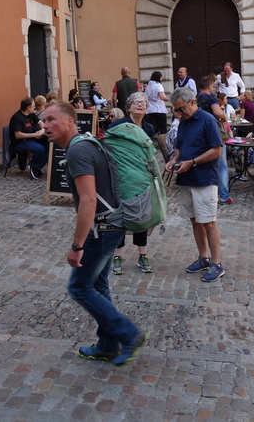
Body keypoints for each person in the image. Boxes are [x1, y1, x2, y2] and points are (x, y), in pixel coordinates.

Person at [41, 101, 148, 365]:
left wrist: (77, 246)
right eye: (44, 121)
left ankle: (129, 334)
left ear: (69, 121)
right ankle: (108, 345)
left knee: (78, 287)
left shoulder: (78, 152)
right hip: (113, 224)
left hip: (102, 228)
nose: (45, 126)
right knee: (98, 285)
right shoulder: (89, 143)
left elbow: (88, 201)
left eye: (51, 119)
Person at [166, 88, 226, 283]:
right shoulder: (184, 122)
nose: (179, 114)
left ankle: (216, 264)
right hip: (186, 178)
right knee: (195, 220)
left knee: (208, 221)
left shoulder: (208, 120)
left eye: (181, 109)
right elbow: (179, 147)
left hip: (204, 179)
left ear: (193, 102)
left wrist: (192, 162)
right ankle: (203, 257)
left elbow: (216, 150)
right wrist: (173, 159)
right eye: (176, 111)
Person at [109, 93, 155, 275]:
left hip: (142, 177)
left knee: (141, 217)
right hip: (121, 177)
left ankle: (142, 256)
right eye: (137, 102)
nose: (141, 105)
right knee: (120, 217)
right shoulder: (117, 126)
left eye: (144, 103)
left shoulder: (149, 128)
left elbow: (150, 153)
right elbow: (109, 148)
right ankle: (117, 257)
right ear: (128, 107)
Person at [197, 76, 231, 204]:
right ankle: (224, 195)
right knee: (222, 165)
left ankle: (207, 193)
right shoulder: (211, 98)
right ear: (210, 85)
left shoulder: (196, 99)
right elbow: (217, 113)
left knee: (206, 163)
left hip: (201, 134)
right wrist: (224, 116)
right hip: (214, 133)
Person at [9, 97, 48, 179]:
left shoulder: (31, 114)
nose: (35, 107)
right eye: (33, 106)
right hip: (20, 142)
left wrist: (42, 130)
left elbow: (41, 123)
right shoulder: (17, 118)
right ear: (28, 107)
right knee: (40, 149)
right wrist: (34, 135)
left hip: (31, 139)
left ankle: (37, 166)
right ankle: (34, 168)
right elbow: (18, 135)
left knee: (48, 143)